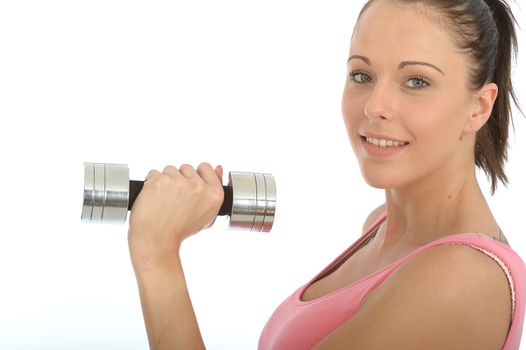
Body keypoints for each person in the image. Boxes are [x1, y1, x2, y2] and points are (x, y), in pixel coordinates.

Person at [127, 0, 526, 348]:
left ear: (479, 106)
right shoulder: (382, 226)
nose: (375, 106)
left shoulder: (461, 281)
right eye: (362, 75)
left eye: (416, 81)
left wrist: (157, 255)